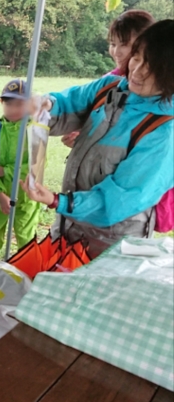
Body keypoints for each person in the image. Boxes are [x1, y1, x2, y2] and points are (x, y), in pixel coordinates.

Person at [22, 20, 174, 257]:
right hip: (67, 227)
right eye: (137, 57)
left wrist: (59, 202)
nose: (137, 70)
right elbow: (70, 102)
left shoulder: (164, 133)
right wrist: (45, 105)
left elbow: (119, 200)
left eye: (152, 67)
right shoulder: (111, 88)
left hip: (111, 245)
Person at [62, 9, 155, 149]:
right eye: (113, 44)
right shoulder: (109, 82)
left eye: (124, 44)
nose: (116, 52)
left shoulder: (156, 85)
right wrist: (81, 135)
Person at [0, 79, 40, 261]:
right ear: (1, 103)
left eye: (19, 104)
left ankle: (27, 267)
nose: (12, 109)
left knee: (26, 235)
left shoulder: (35, 131)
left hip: (26, 196)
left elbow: (37, 167)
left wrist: (6, 171)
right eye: (8, 103)